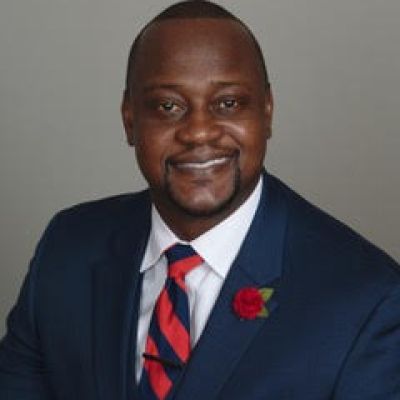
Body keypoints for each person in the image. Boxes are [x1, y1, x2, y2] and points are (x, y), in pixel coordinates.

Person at [0, 1, 399, 399]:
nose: (199, 132)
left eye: (228, 103)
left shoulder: (367, 299)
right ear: (129, 119)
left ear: (267, 111)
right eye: (168, 106)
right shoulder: (67, 247)